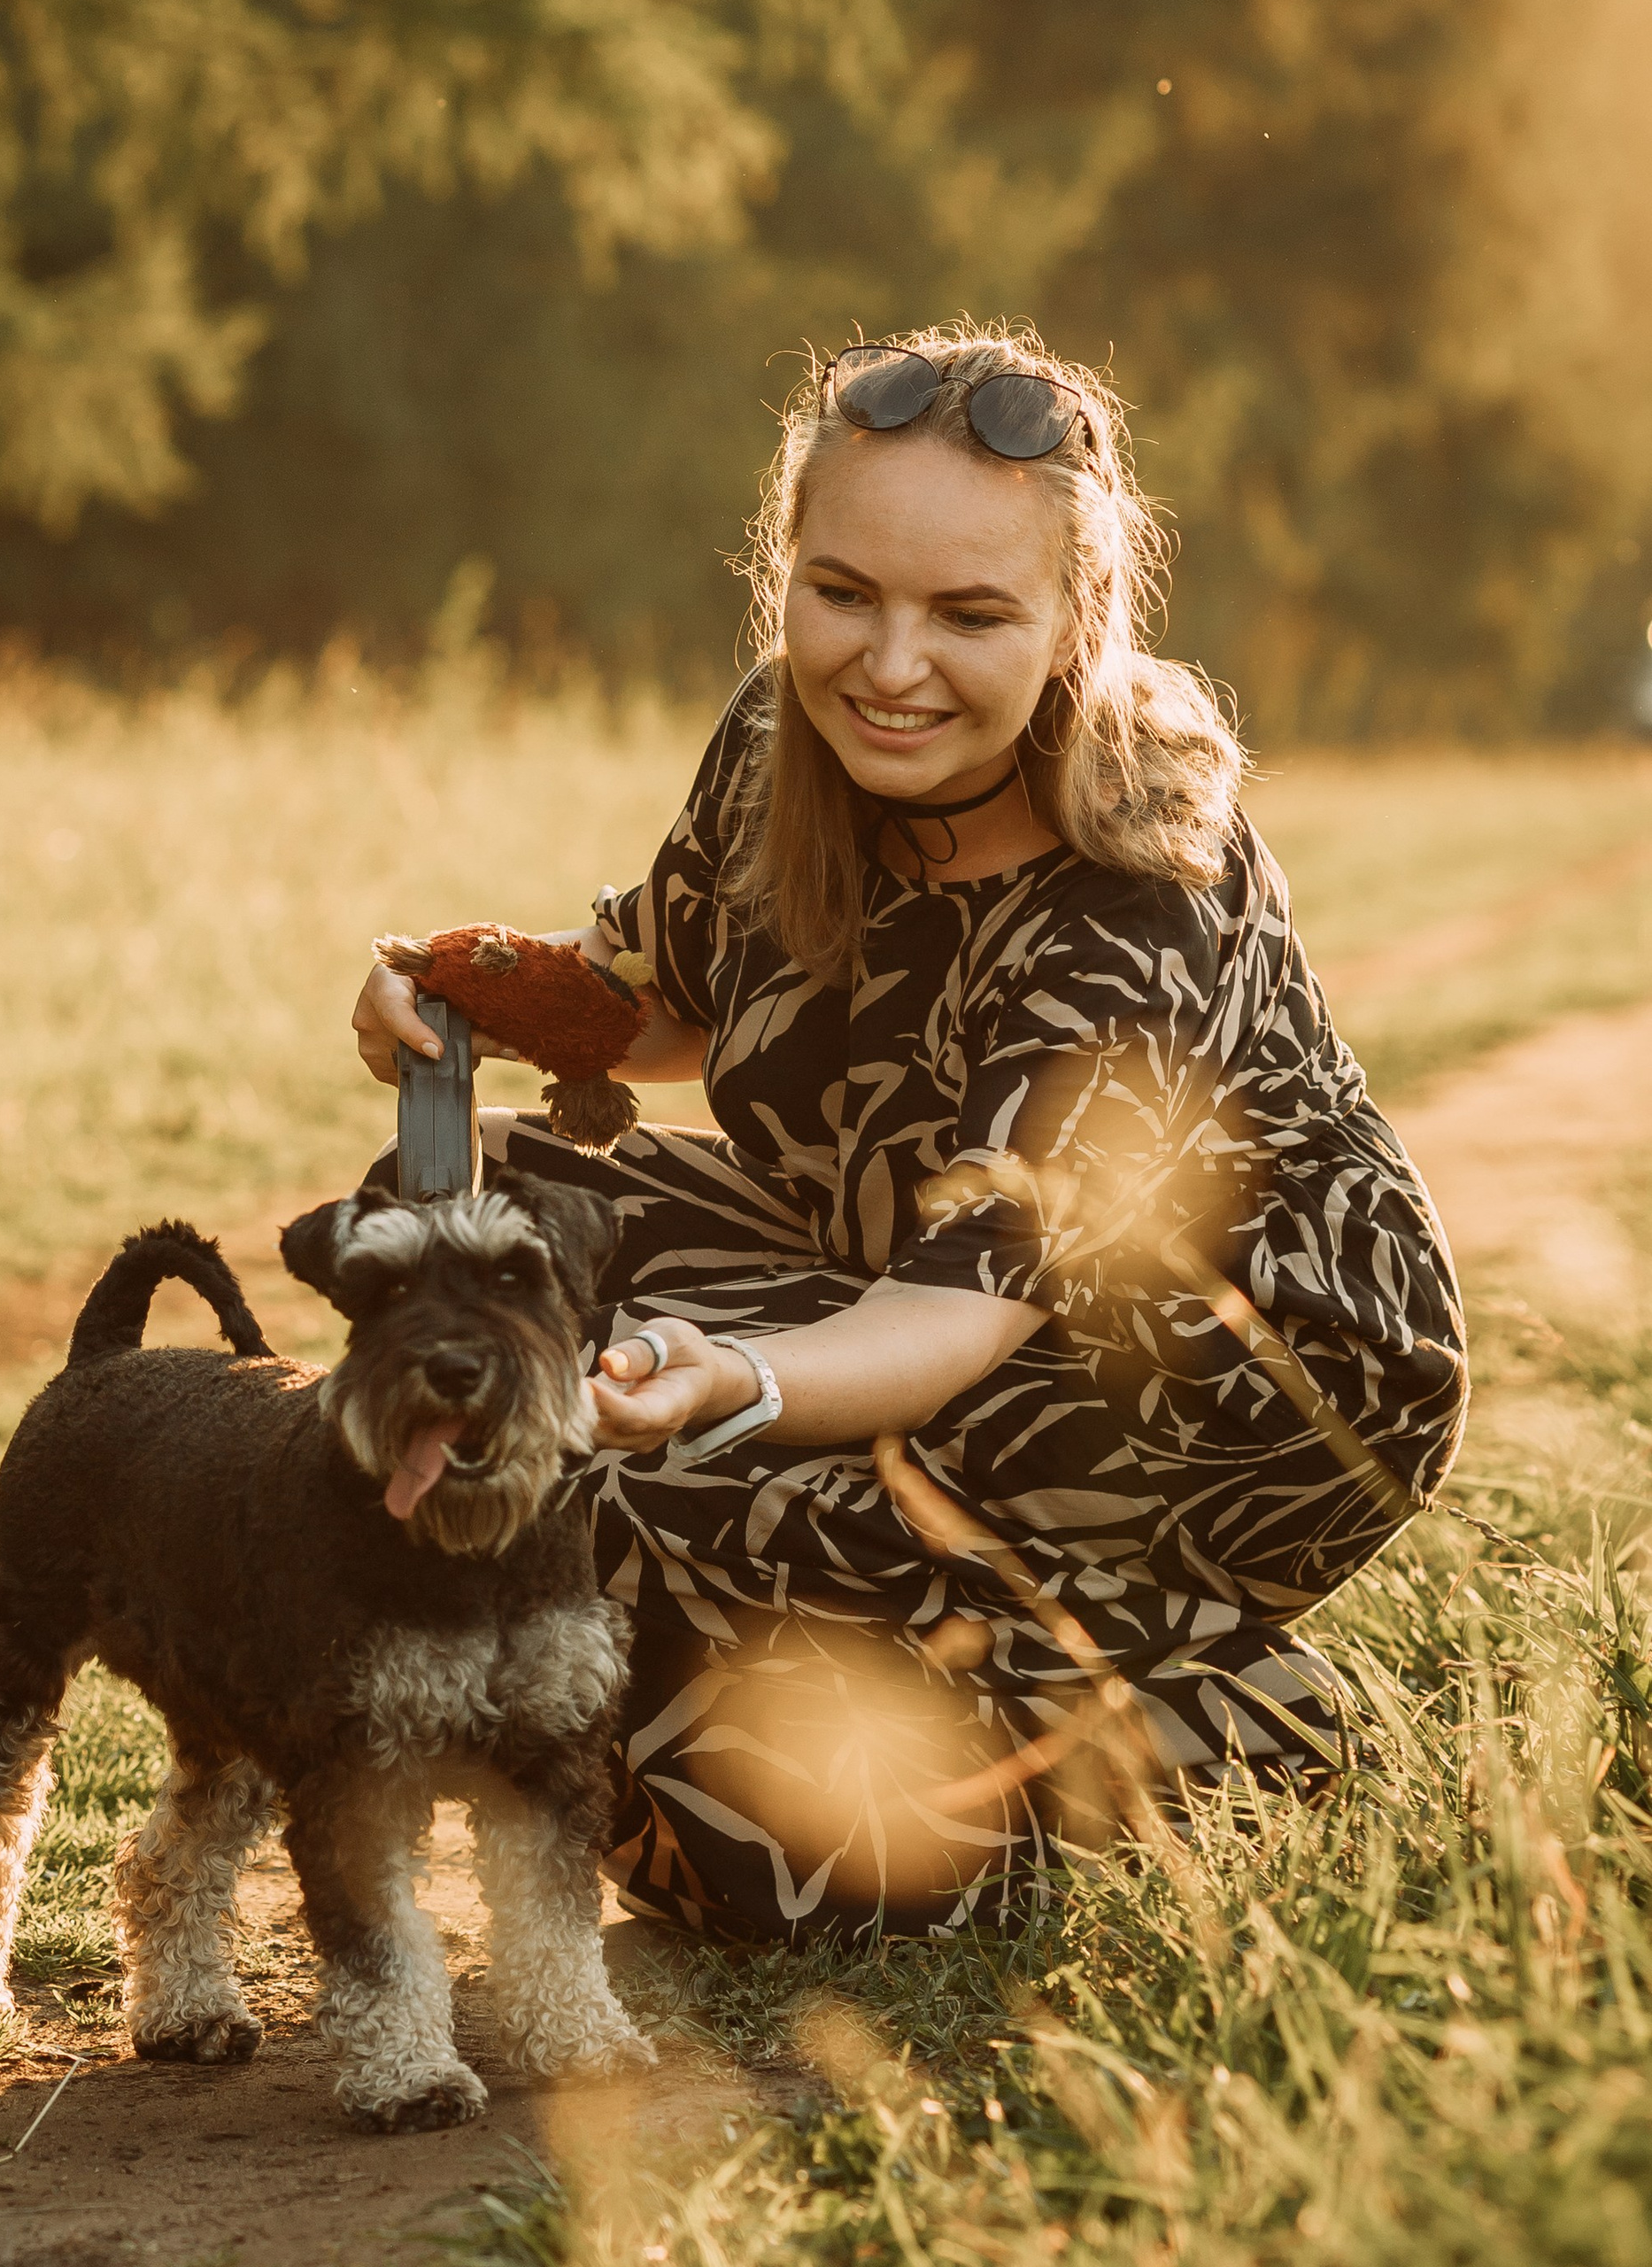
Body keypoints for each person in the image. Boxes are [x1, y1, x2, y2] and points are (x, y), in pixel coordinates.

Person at [351, 321, 1467, 1944]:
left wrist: (742, 1386)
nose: (889, 663)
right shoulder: (778, 743)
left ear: (1078, 621)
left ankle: (1253, 1729)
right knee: (474, 1232)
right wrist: (449, 987)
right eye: (844, 593)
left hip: (1223, 1365)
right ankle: (909, 1683)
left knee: (766, 1829)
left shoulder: (1135, 896)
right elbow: (655, 991)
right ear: (784, 572)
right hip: (906, 1273)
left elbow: (954, 1317)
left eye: (970, 614)